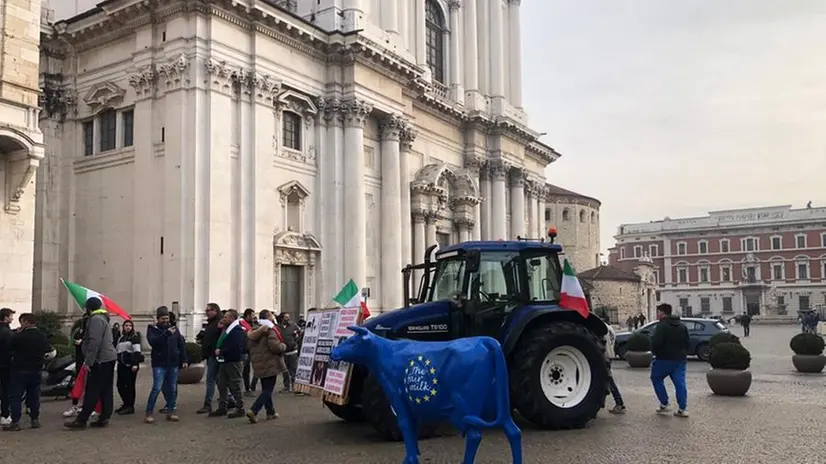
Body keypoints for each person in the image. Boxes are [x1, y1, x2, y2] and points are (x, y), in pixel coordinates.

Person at [65, 297, 118, 429]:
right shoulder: (102, 318)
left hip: (100, 359)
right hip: (107, 358)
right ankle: (104, 416)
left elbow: (94, 342)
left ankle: (82, 420)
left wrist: (88, 361)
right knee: (105, 388)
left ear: (88, 308)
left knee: (92, 389)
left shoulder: (95, 320)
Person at [3, 313, 55, 431]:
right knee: (34, 396)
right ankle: (34, 419)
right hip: (36, 369)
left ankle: (15, 422)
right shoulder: (41, 336)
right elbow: (49, 351)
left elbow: (9, 348)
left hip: (19, 369)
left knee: (15, 396)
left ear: (25, 322)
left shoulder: (19, 336)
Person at [144, 306, 187, 423]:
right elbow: (154, 343)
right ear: (157, 319)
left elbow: (180, 344)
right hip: (159, 363)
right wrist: (166, 334)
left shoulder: (174, 329)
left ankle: (171, 411)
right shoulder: (152, 329)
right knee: (157, 388)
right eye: (162, 318)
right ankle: (149, 413)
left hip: (173, 362)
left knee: (172, 388)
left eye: (166, 318)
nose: (165, 321)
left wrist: (184, 359)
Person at [246, 309, 287, 423]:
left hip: (258, 363)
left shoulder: (253, 330)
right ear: (268, 318)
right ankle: (254, 410)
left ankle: (271, 412)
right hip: (270, 362)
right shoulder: (269, 330)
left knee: (265, 388)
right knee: (268, 390)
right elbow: (275, 347)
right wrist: (283, 346)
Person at [650, 303, 690, 418]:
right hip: (680, 359)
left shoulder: (662, 326)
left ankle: (664, 403)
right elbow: (687, 342)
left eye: (658, 312)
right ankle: (683, 409)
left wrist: (655, 352)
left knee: (656, 378)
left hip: (664, 359)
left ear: (662, 313)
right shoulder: (682, 326)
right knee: (680, 383)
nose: (657, 314)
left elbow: (656, 342)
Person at [209, 310, 246, 418]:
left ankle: (240, 408)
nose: (223, 319)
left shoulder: (237, 330)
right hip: (225, 361)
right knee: (221, 383)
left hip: (233, 361)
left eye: (225, 317)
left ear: (231, 319)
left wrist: (222, 351)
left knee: (236, 384)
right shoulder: (228, 329)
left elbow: (235, 346)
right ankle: (222, 407)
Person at [196, 303, 223, 414]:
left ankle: (208, 404)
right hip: (210, 354)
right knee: (218, 380)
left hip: (215, 355)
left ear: (215, 311)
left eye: (209, 310)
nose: (207, 312)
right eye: (206, 310)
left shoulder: (219, 323)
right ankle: (228, 400)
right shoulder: (211, 323)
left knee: (212, 380)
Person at [115, 320, 143, 415]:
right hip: (121, 365)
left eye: (130, 325)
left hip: (130, 365)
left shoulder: (134, 337)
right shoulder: (121, 338)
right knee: (120, 385)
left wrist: (135, 364)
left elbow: (137, 352)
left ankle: (130, 406)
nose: (128, 327)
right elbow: (117, 350)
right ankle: (125, 403)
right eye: (126, 325)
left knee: (129, 386)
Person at [601, 316, 625, 414]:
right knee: (606, 381)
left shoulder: (602, 329)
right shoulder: (611, 329)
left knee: (609, 381)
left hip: (604, 356)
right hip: (610, 355)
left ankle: (619, 402)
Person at [278, 313, 300, 393]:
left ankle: (295, 386)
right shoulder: (278, 327)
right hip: (283, 352)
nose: (288, 318)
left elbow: (299, 335)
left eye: (289, 317)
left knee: (294, 370)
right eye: (286, 317)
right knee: (285, 371)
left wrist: (295, 342)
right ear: (282, 318)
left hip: (293, 351)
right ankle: (286, 386)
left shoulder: (293, 326)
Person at [0, 307, 15, 426]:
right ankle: (5, 414)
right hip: (5, 364)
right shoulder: (7, 333)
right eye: (11, 316)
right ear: (6, 318)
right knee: (6, 390)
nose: (12, 318)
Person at [242, 308, 258, 397]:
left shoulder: (252, 324)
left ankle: (249, 388)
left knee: (248, 371)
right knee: (243, 371)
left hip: (250, 351)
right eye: (252, 315)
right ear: (247, 315)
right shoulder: (242, 325)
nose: (253, 317)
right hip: (244, 351)